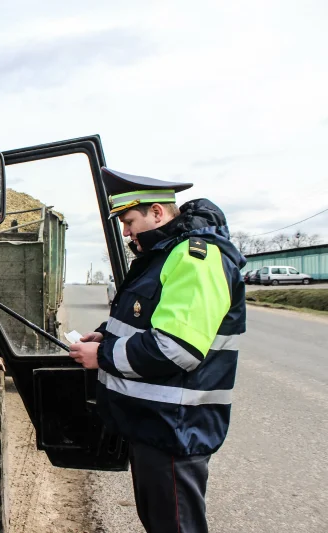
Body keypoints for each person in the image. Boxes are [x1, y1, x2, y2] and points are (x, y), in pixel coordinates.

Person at [69, 167, 246, 533]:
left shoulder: (196, 257)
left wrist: (101, 357)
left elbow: (175, 348)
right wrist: (105, 337)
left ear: (158, 212)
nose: (126, 231)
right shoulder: (164, 257)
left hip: (175, 430)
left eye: (129, 220)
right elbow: (146, 322)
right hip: (155, 426)